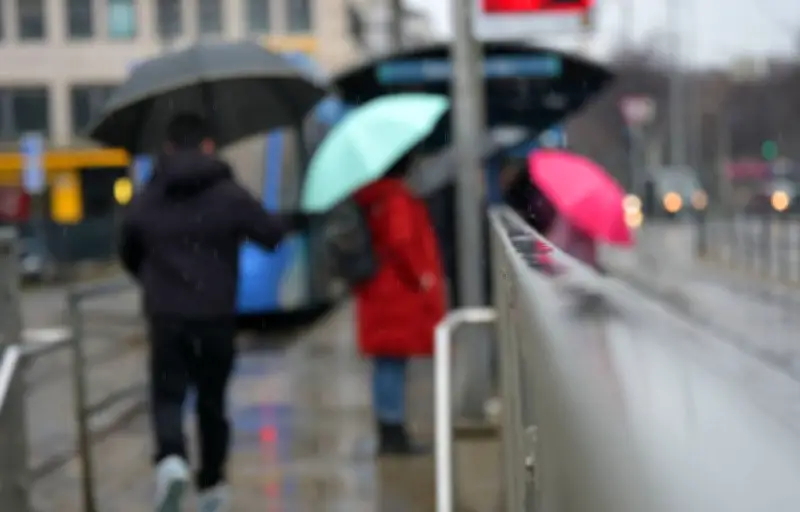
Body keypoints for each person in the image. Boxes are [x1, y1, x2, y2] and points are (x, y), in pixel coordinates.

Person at [118, 113, 311, 512]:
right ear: (209, 145)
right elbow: (272, 235)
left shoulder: (149, 194)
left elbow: (127, 247)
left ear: (168, 147)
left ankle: (172, 460)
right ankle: (211, 486)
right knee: (212, 402)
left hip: (167, 315)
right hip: (216, 316)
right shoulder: (229, 194)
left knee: (168, 396)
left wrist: (153, 278)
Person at [352, 153, 447, 455]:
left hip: (379, 291)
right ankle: (393, 433)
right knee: (392, 362)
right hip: (397, 293)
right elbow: (402, 241)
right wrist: (422, 276)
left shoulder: (373, 197)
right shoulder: (396, 199)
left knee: (387, 361)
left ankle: (389, 428)